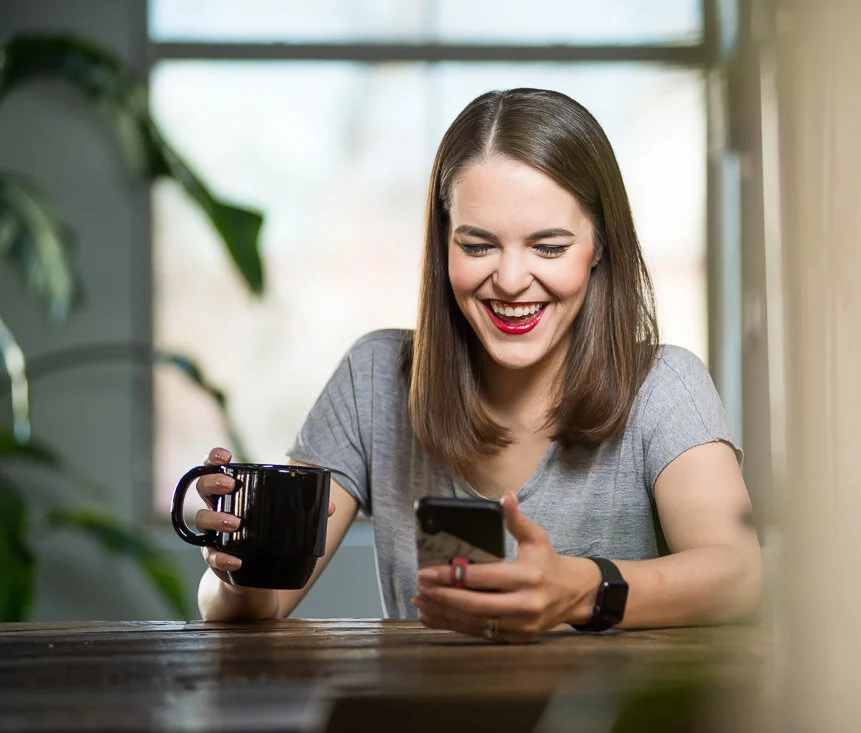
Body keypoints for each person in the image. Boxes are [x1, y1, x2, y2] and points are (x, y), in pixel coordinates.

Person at [191, 88, 763, 642]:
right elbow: (256, 606)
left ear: (601, 248)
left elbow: (739, 577)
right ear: (444, 247)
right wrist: (234, 567)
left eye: (549, 247)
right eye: (478, 245)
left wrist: (579, 590)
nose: (511, 280)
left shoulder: (663, 385)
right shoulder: (376, 378)